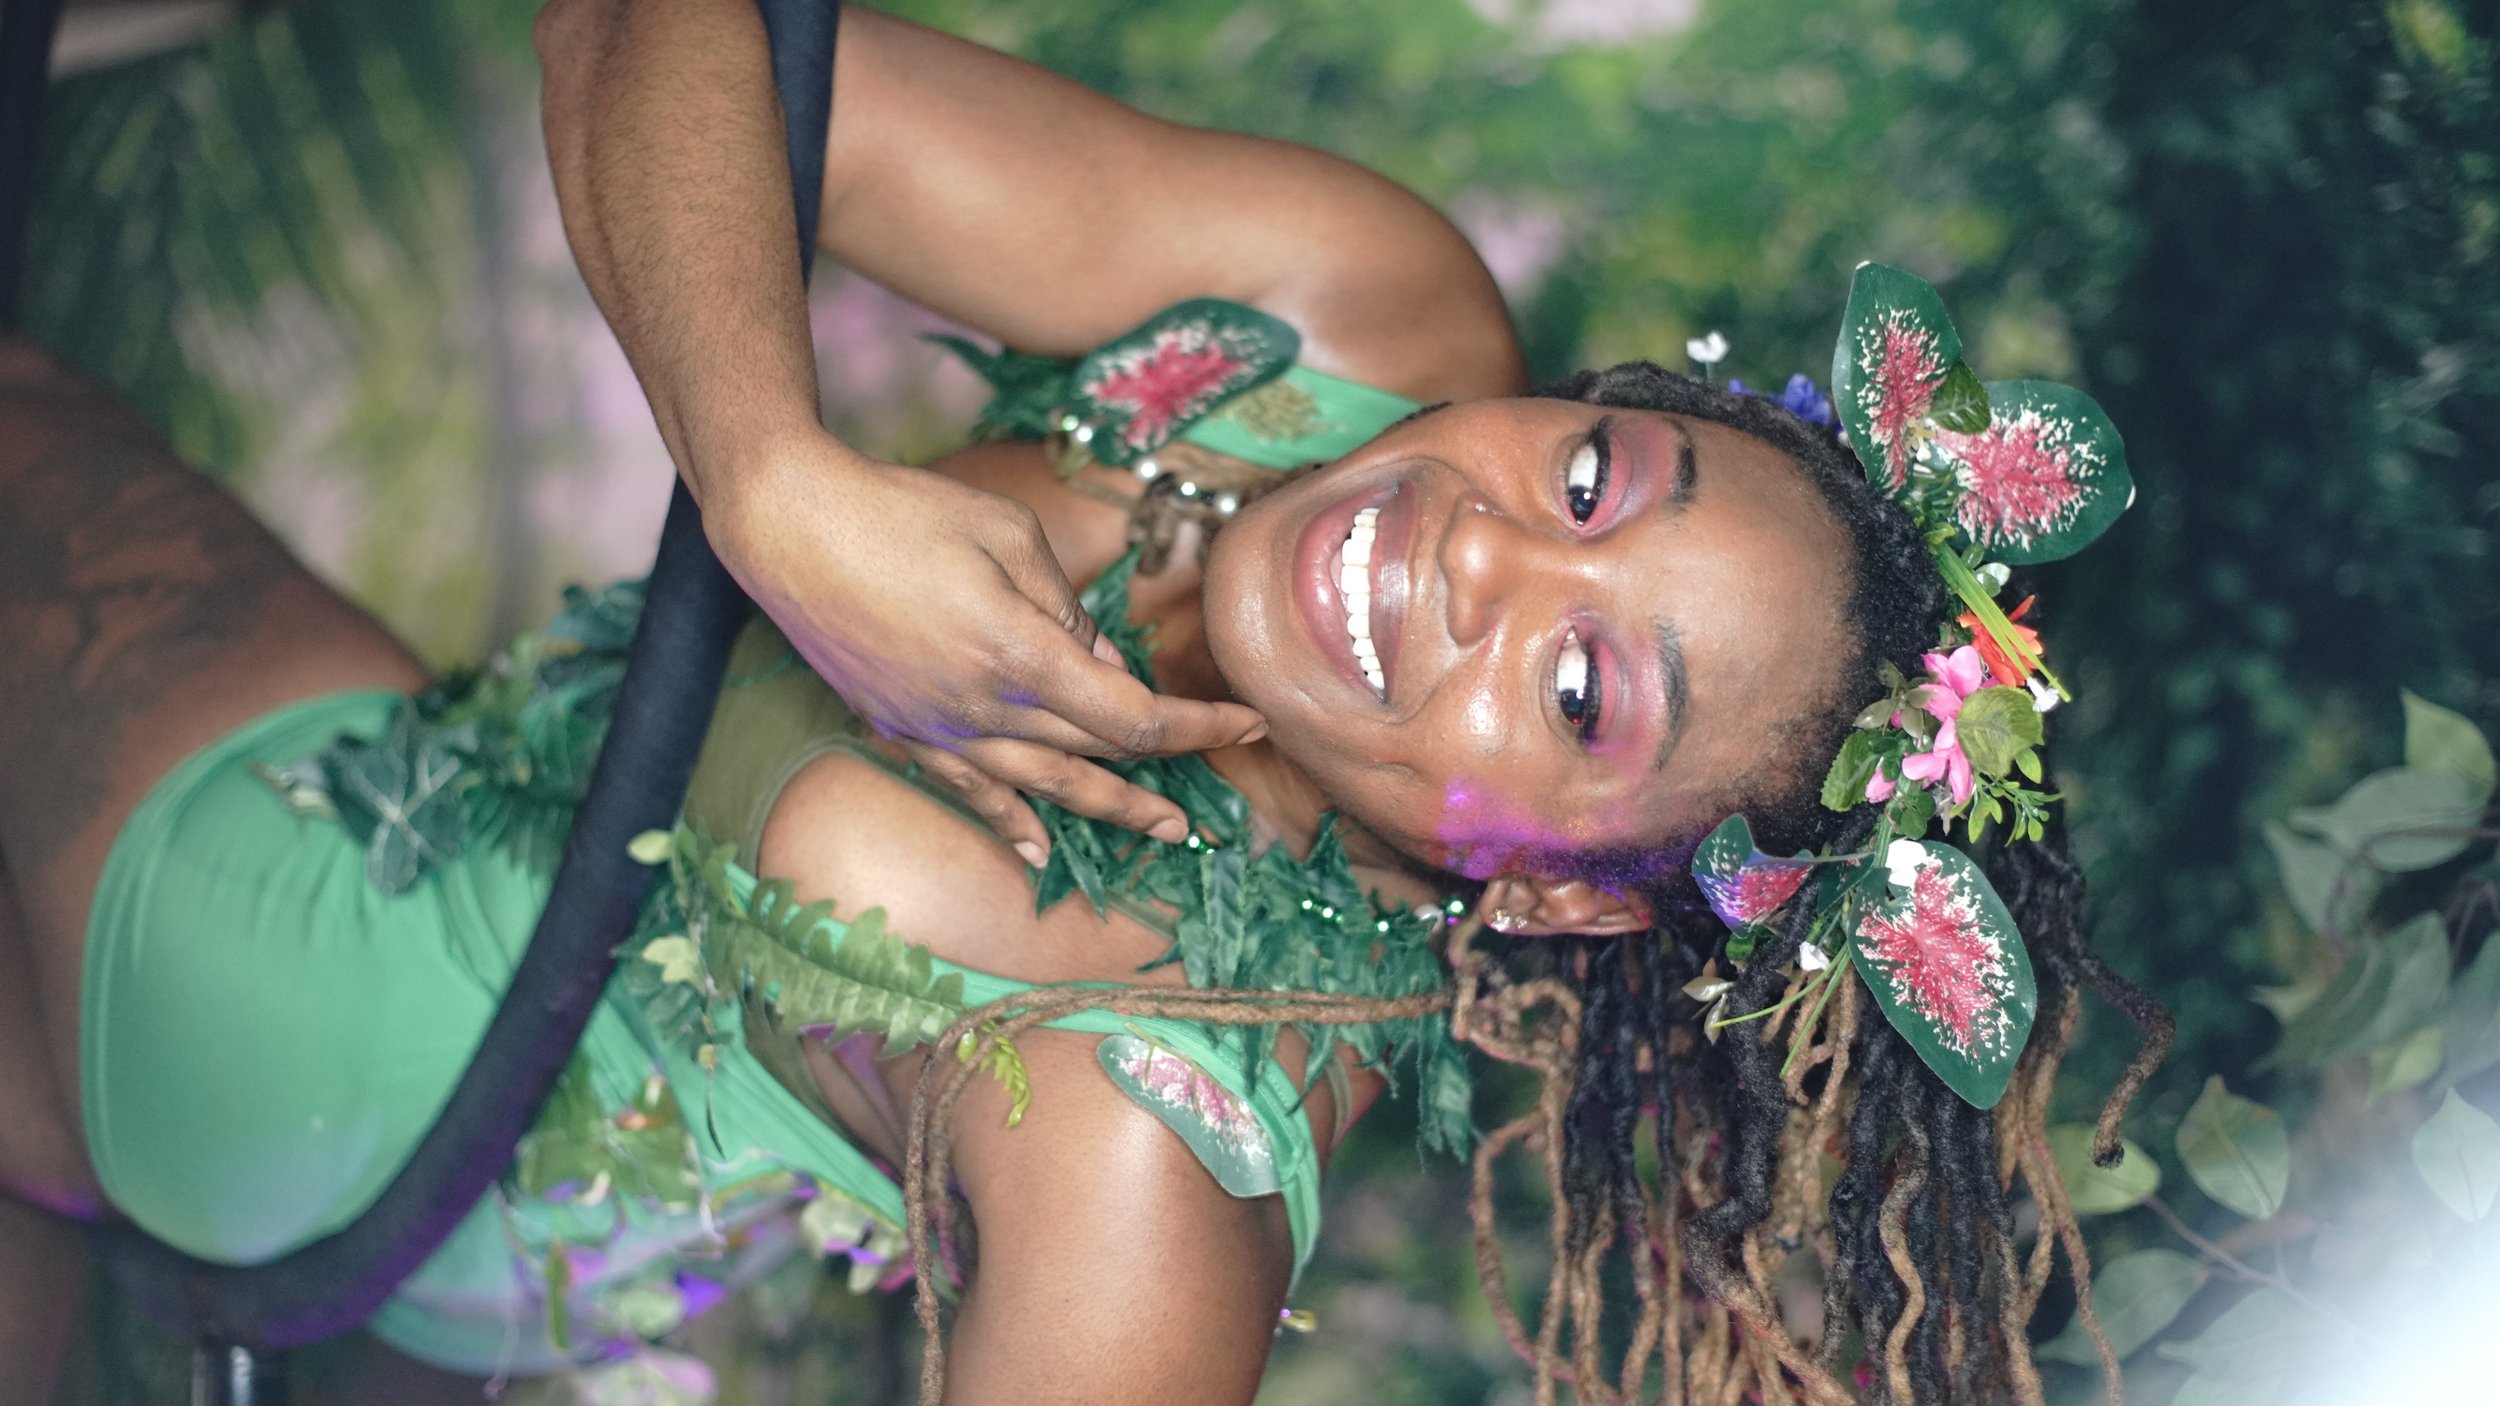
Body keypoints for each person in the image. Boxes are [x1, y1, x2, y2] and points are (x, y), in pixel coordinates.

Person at [0, 4, 2160, 1403]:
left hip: (317, 1031)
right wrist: (773, 479)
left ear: (1579, 904)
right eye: (1592, 478)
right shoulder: (1357, 314)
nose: (1479, 553)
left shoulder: (1162, 1139)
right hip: (364, 888)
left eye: (1581, 686)